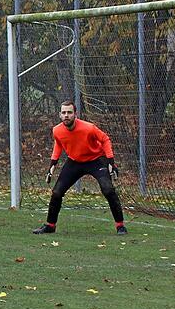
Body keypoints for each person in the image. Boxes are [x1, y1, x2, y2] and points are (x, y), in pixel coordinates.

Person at [32, 100, 127, 235]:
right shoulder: (57, 130)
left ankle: (120, 226)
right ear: (60, 115)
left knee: (108, 189)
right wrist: (52, 165)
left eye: (69, 112)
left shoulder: (89, 128)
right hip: (74, 162)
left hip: (96, 160)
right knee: (57, 192)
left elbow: (105, 139)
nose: (66, 115)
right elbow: (58, 144)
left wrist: (111, 161)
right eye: (64, 112)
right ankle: (50, 225)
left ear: (75, 114)